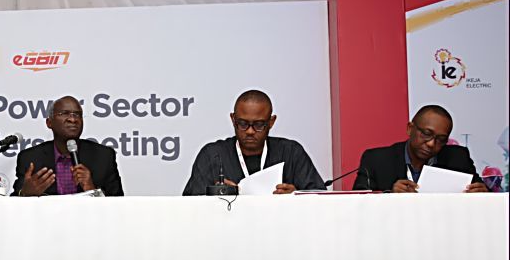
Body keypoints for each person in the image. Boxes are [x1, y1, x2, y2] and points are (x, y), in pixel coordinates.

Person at [183, 90, 323, 195]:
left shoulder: (291, 152)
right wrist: (216, 195)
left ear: (271, 122)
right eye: (243, 124)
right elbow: (189, 206)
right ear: (233, 119)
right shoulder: (212, 155)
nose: (250, 131)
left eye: (259, 125)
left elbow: (321, 200)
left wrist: (296, 196)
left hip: (280, 230)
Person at [352, 105, 487, 193]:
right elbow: (359, 203)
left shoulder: (458, 158)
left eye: (441, 139)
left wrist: (483, 194)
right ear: (410, 129)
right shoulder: (377, 160)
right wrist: (389, 195)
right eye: (426, 134)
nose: (431, 144)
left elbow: (485, 194)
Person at [12, 96, 123, 196]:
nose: (72, 119)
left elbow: (120, 204)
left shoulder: (103, 156)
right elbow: (12, 204)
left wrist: (92, 190)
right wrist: (25, 194)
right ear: (49, 122)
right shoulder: (30, 158)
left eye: (77, 114)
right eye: (64, 113)